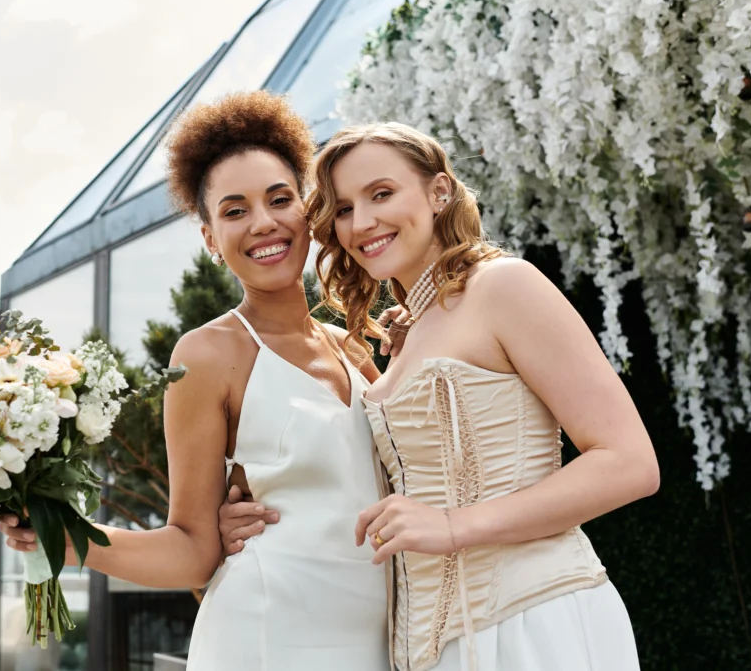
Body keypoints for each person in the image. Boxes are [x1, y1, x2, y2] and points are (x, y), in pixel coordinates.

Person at [222, 122, 659, 671]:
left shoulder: (504, 285)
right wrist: (249, 514)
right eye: (345, 208)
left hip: (533, 624)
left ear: (439, 192)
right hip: (435, 650)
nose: (363, 222)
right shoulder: (408, 333)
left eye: (382, 193)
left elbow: (629, 463)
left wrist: (454, 527)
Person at [0, 91, 392, 671]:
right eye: (234, 211)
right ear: (210, 238)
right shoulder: (207, 354)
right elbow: (191, 549)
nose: (263, 222)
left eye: (279, 199)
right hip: (267, 637)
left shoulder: (356, 347)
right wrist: (70, 538)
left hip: (376, 640)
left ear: (309, 210)